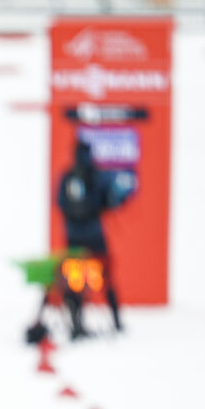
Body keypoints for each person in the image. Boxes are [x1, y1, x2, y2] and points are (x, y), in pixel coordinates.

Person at [56, 140, 136, 337]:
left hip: (73, 238)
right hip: (95, 236)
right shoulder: (97, 176)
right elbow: (110, 200)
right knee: (105, 277)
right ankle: (116, 322)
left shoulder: (67, 177)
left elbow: (59, 202)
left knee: (74, 280)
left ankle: (76, 323)